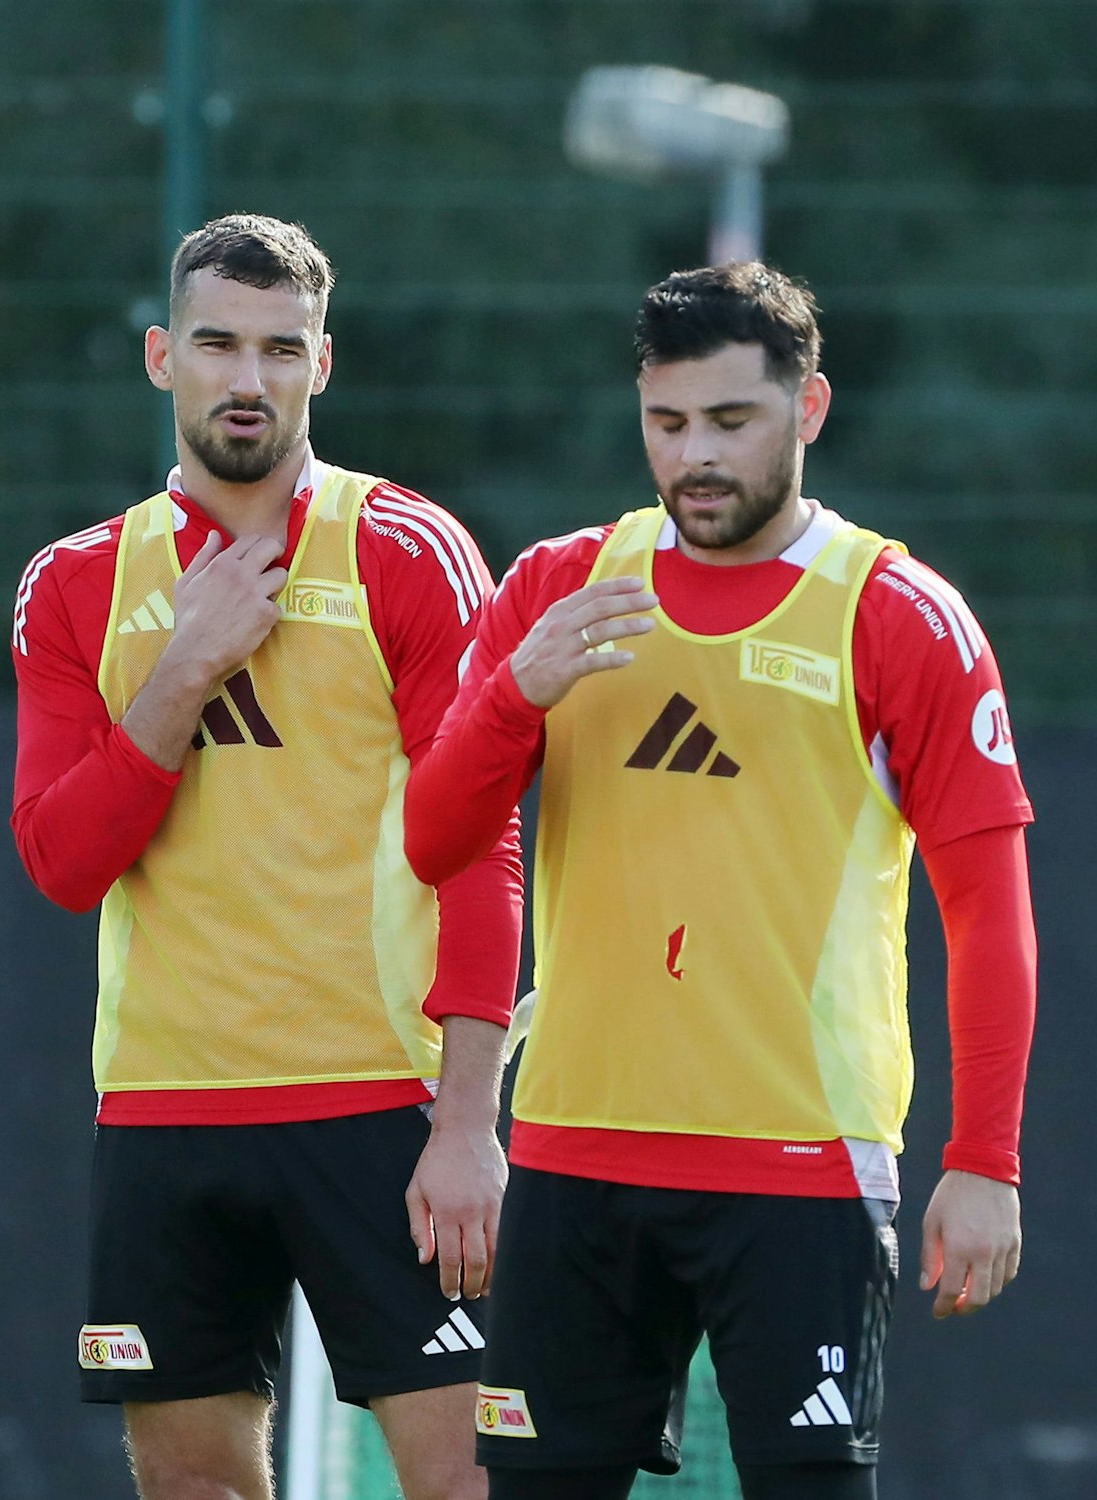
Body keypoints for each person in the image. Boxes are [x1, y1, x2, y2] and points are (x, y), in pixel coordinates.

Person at [406, 263, 1036, 1500]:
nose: (694, 457)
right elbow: (433, 840)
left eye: (730, 423)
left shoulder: (895, 614)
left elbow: (987, 910)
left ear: (807, 410)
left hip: (796, 1165)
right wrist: (513, 694)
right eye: (666, 423)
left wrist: (986, 1158)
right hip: (575, 1156)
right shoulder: (560, 586)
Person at [11, 213, 524, 1500]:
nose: (248, 380)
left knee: (466, 1484)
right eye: (217, 345)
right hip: (165, 1105)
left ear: (322, 366)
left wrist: (467, 1122)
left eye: (279, 350)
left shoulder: (407, 552)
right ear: (159, 357)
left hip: (377, 1105)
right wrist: (184, 666)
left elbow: (479, 848)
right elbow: (63, 863)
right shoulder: (76, 584)